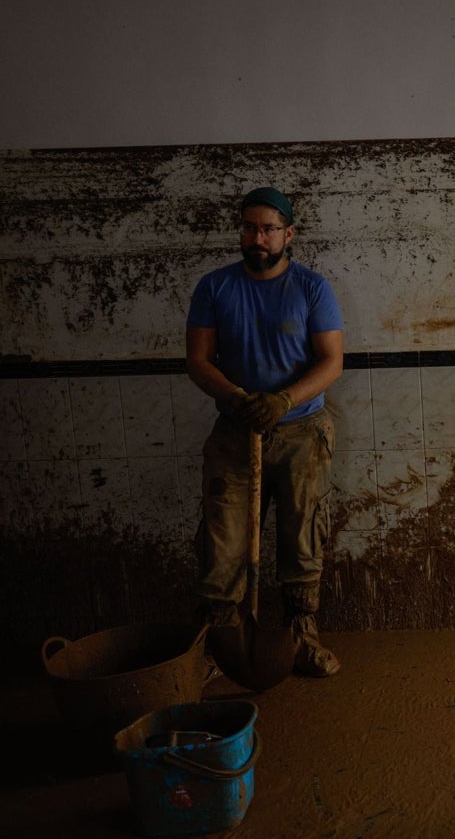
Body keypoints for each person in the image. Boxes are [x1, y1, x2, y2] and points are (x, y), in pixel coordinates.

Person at [185, 186, 344, 677]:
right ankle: (221, 652)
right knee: (223, 542)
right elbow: (197, 360)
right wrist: (236, 398)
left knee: (302, 539)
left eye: (269, 229)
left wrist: (281, 400)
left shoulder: (312, 288)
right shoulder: (214, 288)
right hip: (235, 435)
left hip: (301, 433)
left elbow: (332, 361)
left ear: (288, 234)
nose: (258, 237)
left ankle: (301, 641)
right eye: (250, 227)